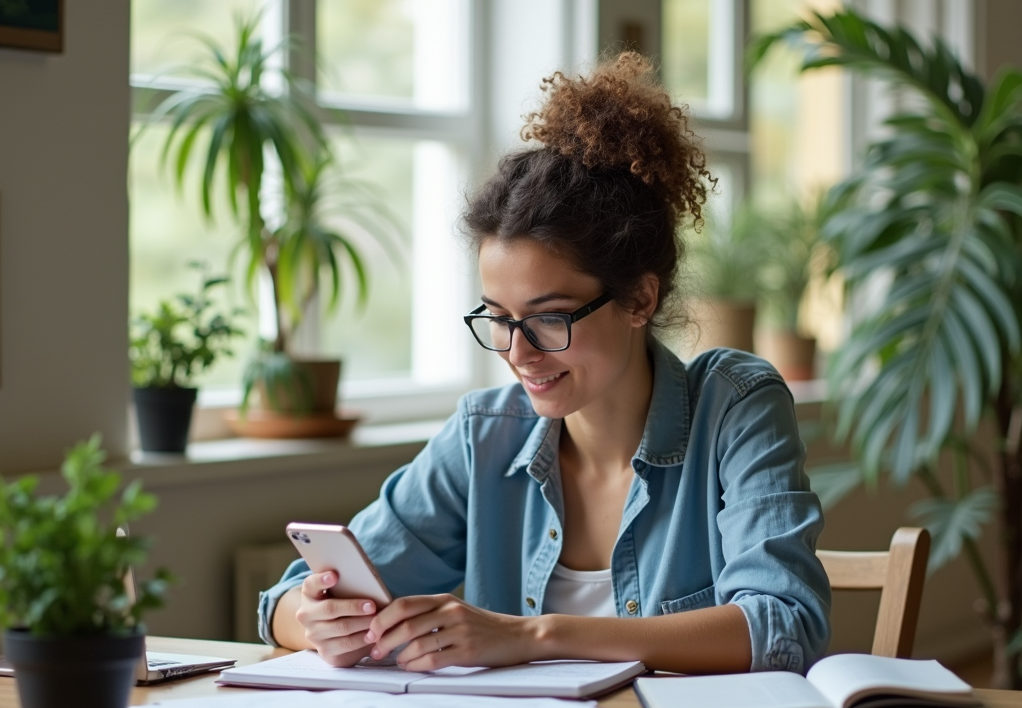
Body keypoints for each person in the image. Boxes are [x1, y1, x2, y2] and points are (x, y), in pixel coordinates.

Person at [259, 53, 831, 675]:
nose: (518, 351)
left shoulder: (735, 406)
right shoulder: (486, 433)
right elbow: (287, 598)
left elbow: (784, 625)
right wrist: (313, 620)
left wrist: (535, 636)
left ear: (640, 298)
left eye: (549, 317)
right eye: (498, 318)